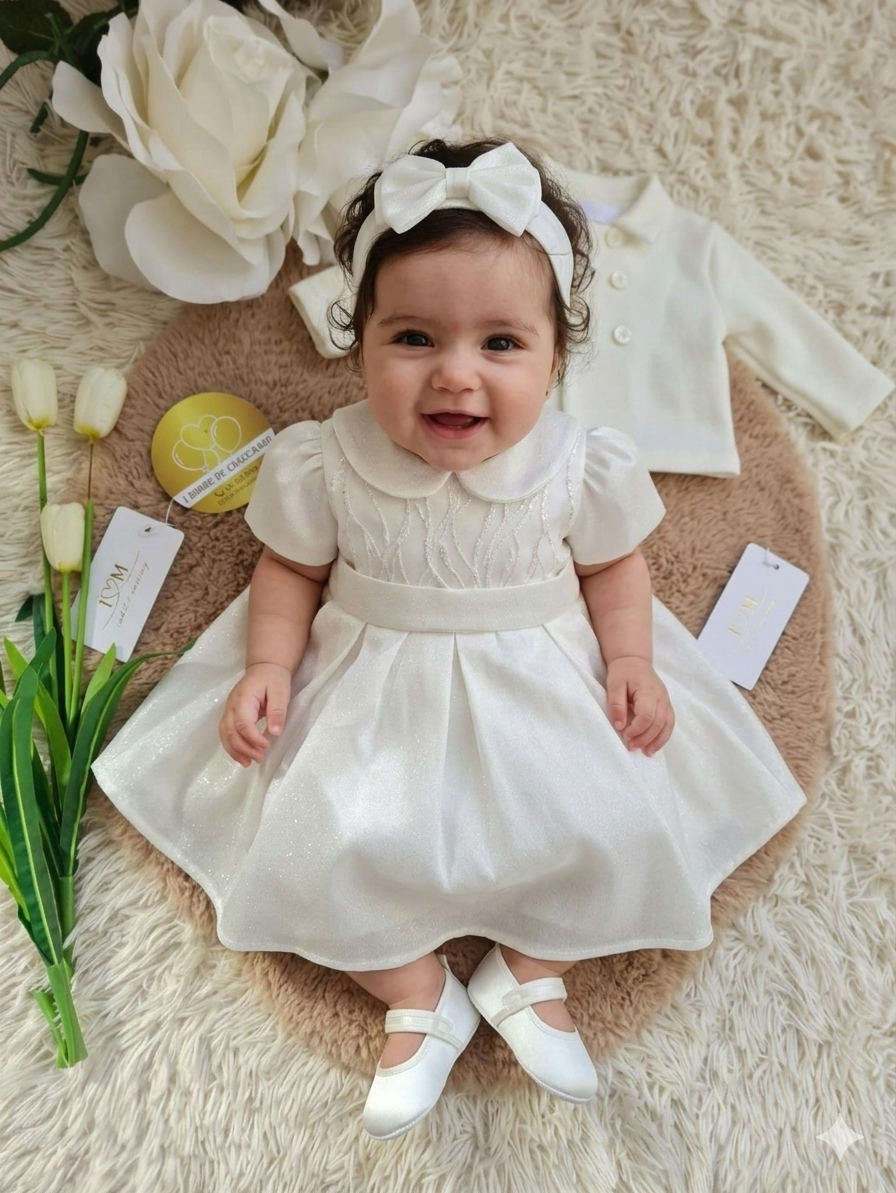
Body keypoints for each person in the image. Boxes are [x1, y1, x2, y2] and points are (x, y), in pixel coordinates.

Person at [92, 139, 806, 1141]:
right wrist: (267, 666)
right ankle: (415, 991)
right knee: (323, 842)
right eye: (415, 338)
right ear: (359, 344)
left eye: (501, 343)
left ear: (556, 358)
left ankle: (530, 970)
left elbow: (613, 568)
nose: (455, 376)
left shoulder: (578, 463)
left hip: (544, 682)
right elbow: (289, 571)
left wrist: (632, 660)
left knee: (611, 824)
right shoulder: (325, 460)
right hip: (371, 688)